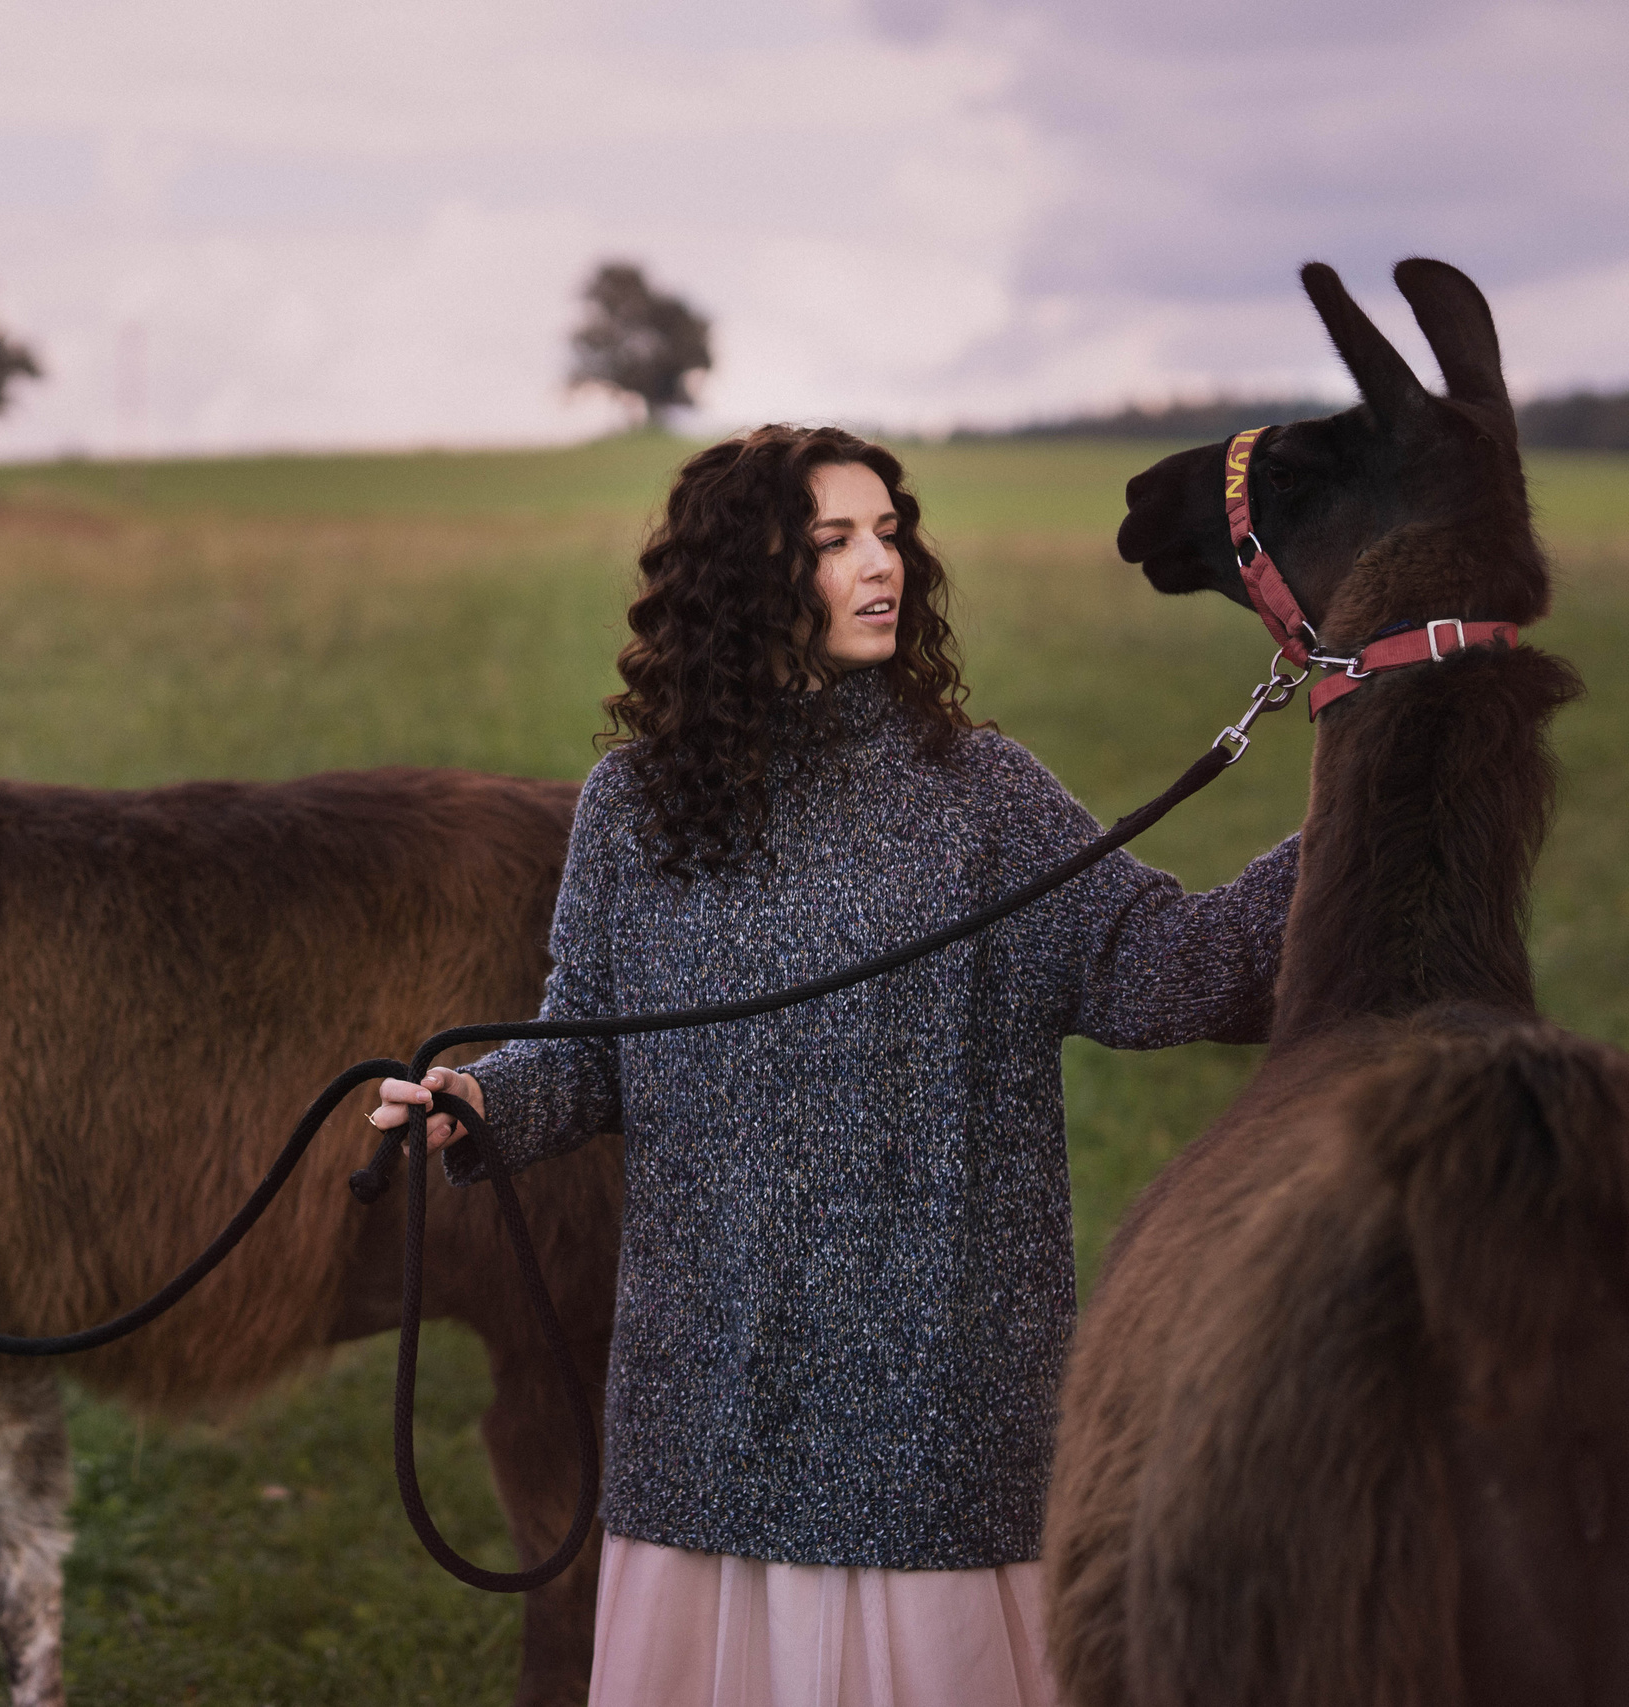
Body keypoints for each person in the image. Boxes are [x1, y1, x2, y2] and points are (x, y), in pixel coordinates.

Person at [371, 424, 1296, 1707]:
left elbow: (1170, 971)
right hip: (707, 1403)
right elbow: (586, 1045)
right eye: (834, 542)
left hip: (931, 1409)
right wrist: (482, 1100)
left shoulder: (978, 795)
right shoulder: (636, 807)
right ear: (746, 578)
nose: (883, 565)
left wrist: (1372, 797)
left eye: (889, 532)